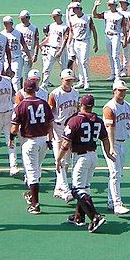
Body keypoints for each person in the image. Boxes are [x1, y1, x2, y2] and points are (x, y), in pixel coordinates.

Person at [55, 94, 112, 232]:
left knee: (77, 190)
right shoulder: (98, 120)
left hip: (81, 158)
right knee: (84, 188)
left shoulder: (74, 121)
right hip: (93, 156)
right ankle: (79, 216)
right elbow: (105, 138)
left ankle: (95, 216)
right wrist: (108, 153)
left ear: (81, 104)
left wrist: (58, 158)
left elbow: (66, 143)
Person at [10, 78, 54, 214]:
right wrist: (50, 139)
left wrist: (11, 138)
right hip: (43, 141)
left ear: (24, 89)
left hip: (30, 142)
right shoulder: (43, 103)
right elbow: (50, 124)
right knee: (37, 169)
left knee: (32, 173)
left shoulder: (21, 105)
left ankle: (35, 205)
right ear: (35, 89)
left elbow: (14, 127)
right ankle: (30, 195)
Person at [103, 80, 130, 215]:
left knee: (117, 173)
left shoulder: (127, 106)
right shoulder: (109, 108)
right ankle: (117, 204)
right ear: (114, 91)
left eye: (124, 90)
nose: (123, 93)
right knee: (115, 173)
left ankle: (110, 201)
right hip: (111, 143)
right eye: (120, 90)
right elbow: (109, 129)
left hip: (122, 142)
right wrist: (111, 147)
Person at [48, 69, 79, 200]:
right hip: (58, 128)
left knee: (66, 161)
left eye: (71, 80)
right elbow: (49, 114)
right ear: (61, 80)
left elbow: (76, 111)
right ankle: (66, 190)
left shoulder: (75, 93)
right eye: (67, 80)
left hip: (71, 129)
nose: (69, 82)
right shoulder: (55, 94)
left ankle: (58, 188)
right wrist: (49, 133)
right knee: (59, 159)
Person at [93, 0, 127, 81]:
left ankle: (118, 75)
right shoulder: (106, 13)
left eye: (110, 4)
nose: (109, 6)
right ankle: (112, 73)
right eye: (108, 4)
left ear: (114, 5)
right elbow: (95, 15)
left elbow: (124, 28)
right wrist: (95, 6)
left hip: (116, 35)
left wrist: (125, 38)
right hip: (107, 36)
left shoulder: (120, 15)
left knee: (115, 55)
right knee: (110, 55)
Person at [67, 2, 98, 90]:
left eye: (75, 8)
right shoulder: (72, 18)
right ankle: (81, 81)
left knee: (84, 61)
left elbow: (93, 30)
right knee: (78, 62)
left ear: (79, 9)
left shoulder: (87, 18)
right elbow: (71, 31)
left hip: (85, 41)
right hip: (76, 41)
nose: (73, 10)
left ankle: (87, 82)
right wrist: (69, 42)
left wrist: (96, 43)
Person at [40, 9, 69, 89]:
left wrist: (60, 51)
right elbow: (49, 37)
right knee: (46, 68)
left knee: (64, 70)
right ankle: (44, 84)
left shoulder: (65, 27)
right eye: (53, 16)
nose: (53, 18)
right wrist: (41, 44)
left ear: (59, 16)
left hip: (61, 50)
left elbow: (65, 40)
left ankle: (66, 85)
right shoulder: (52, 25)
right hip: (51, 49)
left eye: (55, 16)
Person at [1, 15, 30, 91]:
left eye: (7, 23)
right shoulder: (2, 34)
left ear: (11, 23)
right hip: (6, 59)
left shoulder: (17, 33)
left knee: (16, 79)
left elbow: (24, 45)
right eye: (4, 23)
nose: (5, 25)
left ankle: (17, 96)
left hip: (17, 58)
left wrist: (29, 57)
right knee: (6, 78)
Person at [15, 9, 39, 78]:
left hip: (29, 53)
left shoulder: (34, 28)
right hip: (19, 52)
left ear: (28, 18)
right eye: (21, 18)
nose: (21, 20)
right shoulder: (18, 27)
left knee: (27, 73)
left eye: (23, 18)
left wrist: (35, 54)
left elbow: (37, 43)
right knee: (17, 72)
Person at [118, 0, 130, 77]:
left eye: (123, 3)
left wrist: (129, 37)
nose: (121, 4)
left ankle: (125, 69)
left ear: (126, 4)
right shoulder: (116, 11)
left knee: (125, 53)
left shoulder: (129, 13)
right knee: (116, 53)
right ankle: (119, 68)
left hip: (126, 33)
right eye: (120, 2)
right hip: (117, 34)